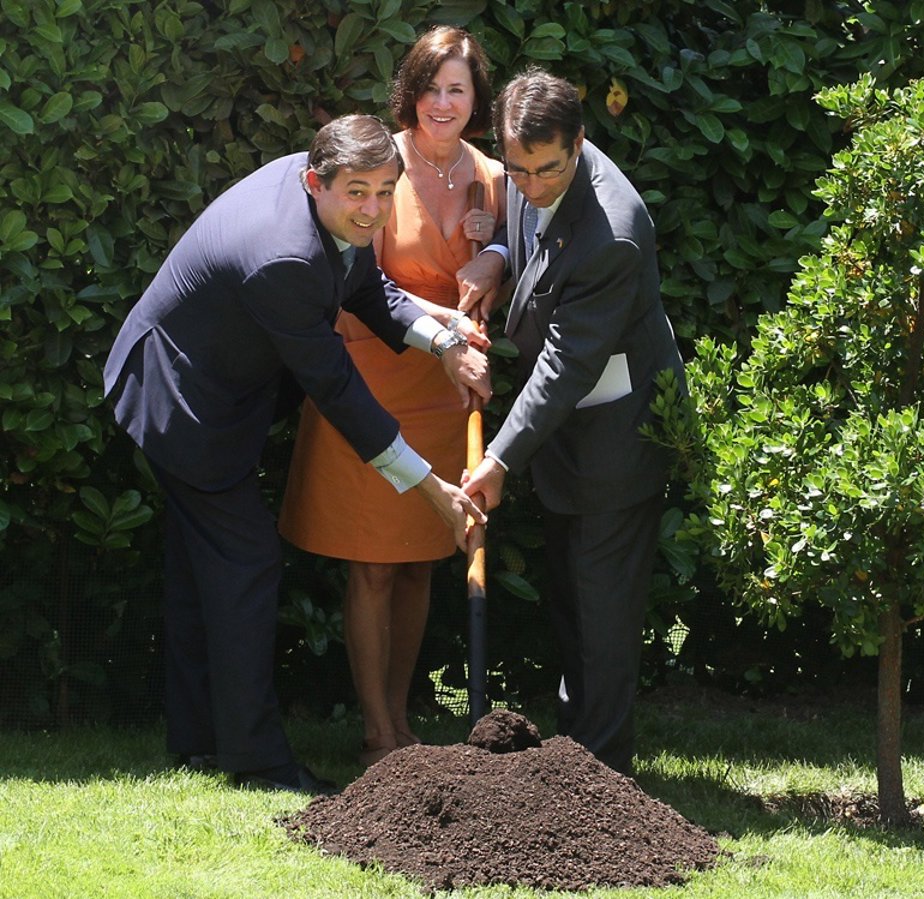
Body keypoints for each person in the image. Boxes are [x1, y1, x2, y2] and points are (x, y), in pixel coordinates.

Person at [103, 114, 491, 794]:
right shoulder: (285, 256)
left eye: (384, 192)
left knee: (205, 572)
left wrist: (445, 339)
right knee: (245, 562)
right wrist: (430, 486)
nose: (373, 210)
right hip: (180, 401)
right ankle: (257, 760)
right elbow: (337, 389)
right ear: (317, 182)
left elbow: (368, 289)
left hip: (215, 394)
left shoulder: (331, 202)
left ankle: (199, 740)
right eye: (357, 194)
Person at [278, 27, 504, 767]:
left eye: (457, 89)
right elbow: (365, 288)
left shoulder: (492, 177)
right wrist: (449, 331)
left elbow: (518, 255)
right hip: (370, 378)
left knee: (417, 560)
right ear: (411, 90)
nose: (443, 103)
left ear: (475, 98)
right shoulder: (383, 164)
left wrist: (498, 258)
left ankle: (403, 724)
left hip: (444, 392)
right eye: (432, 87)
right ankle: (377, 734)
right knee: (372, 563)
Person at [458, 69, 686, 774]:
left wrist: (497, 459)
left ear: (579, 144)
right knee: (571, 599)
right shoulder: (530, 167)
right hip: (567, 433)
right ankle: (575, 761)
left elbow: (566, 365)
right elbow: (523, 231)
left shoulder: (613, 234)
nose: (530, 185)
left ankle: (603, 778)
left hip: (615, 436)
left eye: (547, 170)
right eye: (517, 170)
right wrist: (497, 257)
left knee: (601, 614)